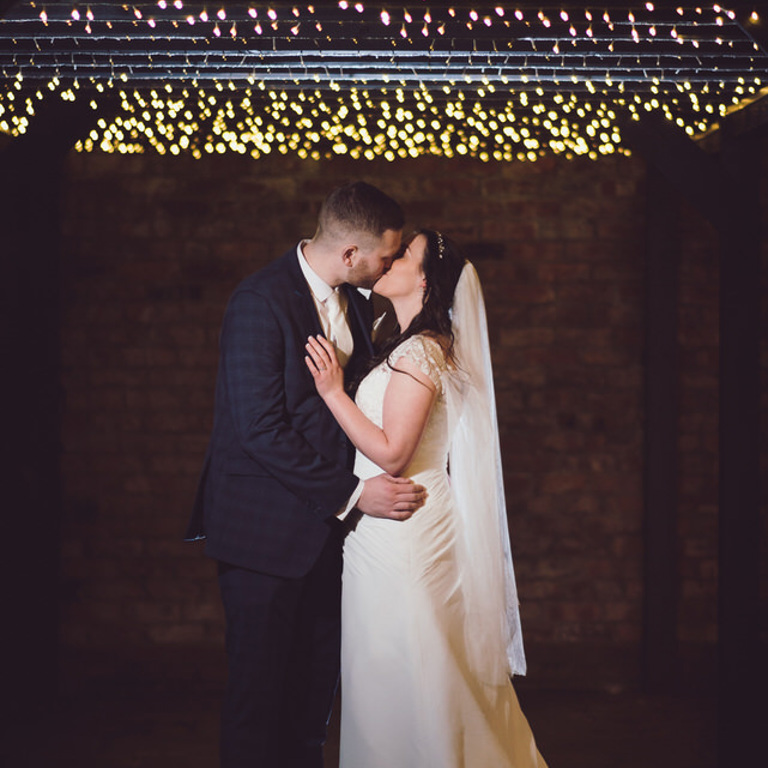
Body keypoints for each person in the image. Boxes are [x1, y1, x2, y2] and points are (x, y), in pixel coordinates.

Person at [185, 182, 427, 768]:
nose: (390, 265)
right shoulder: (259, 301)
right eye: (386, 256)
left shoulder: (356, 302)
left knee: (311, 705)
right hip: (263, 537)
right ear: (351, 255)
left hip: (329, 539)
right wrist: (354, 495)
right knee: (257, 702)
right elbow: (259, 429)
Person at [304, 230, 549, 767]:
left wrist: (332, 393)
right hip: (387, 525)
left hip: (406, 527)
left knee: (413, 664)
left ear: (423, 279)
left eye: (402, 255)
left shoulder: (421, 351)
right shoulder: (401, 342)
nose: (387, 261)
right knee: (391, 665)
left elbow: (392, 453)